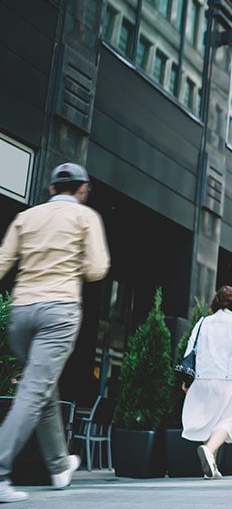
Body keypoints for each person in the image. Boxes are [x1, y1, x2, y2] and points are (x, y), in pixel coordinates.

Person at [0, 163, 110, 503]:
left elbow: (3, 261)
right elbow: (96, 269)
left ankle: (60, 466)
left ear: (51, 189)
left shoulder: (26, 217)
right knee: (34, 391)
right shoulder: (86, 218)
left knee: (42, 387)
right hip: (58, 311)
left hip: (21, 314)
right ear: (82, 189)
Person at [181, 286, 232, 478]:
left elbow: (190, 349)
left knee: (212, 421)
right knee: (230, 421)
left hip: (202, 378)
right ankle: (208, 450)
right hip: (227, 380)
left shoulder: (203, 322)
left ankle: (212, 467)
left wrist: (187, 379)